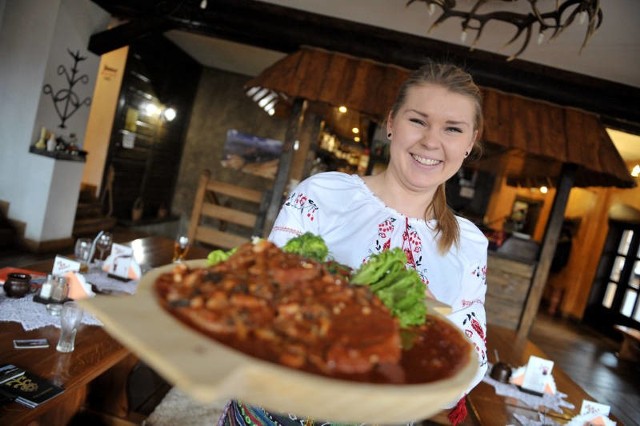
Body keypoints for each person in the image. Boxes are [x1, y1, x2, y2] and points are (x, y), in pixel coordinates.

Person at [221, 60, 488, 425]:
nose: (431, 141)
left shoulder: (468, 243)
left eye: (453, 129)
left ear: (470, 143)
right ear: (391, 123)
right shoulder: (324, 193)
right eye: (418, 120)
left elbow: (470, 359)